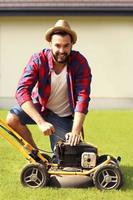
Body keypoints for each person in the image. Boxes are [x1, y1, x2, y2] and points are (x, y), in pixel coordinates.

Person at [6, 19, 92, 153]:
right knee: (12, 119)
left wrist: (75, 131)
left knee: (64, 159)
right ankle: (36, 156)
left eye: (66, 46)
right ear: (50, 44)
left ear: (72, 45)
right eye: (57, 45)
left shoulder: (80, 62)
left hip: (64, 116)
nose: (62, 50)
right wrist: (41, 122)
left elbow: (83, 97)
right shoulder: (38, 59)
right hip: (41, 108)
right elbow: (22, 91)